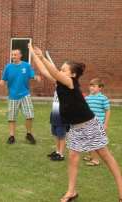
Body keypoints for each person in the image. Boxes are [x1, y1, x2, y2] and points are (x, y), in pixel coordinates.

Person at [29, 44, 122, 202]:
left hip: (89, 125)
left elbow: (54, 72)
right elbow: (46, 72)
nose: (61, 70)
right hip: (75, 128)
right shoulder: (60, 82)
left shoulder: (71, 83)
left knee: (105, 156)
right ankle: (71, 192)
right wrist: (33, 53)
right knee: (73, 158)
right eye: (61, 69)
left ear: (72, 74)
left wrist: (43, 57)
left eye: (64, 69)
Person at [0, 48, 41, 144]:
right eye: (12, 55)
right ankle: (11, 136)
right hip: (13, 95)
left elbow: (32, 75)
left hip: (25, 94)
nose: (13, 56)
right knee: (12, 117)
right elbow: (3, 79)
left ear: (20, 55)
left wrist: (36, 77)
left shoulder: (26, 66)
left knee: (30, 115)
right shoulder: (8, 67)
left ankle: (28, 134)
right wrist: (1, 82)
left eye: (15, 54)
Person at [83, 78, 111, 166]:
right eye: (90, 85)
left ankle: (96, 160)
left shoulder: (103, 98)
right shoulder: (87, 98)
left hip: (98, 124)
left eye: (94, 86)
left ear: (100, 88)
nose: (91, 88)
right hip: (88, 123)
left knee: (94, 142)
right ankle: (91, 156)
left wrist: (105, 124)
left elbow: (108, 111)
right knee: (88, 140)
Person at [48, 90, 68, 161]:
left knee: (61, 136)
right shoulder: (58, 88)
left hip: (62, 116)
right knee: (56, 134)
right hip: (54, 113)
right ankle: (57, 151)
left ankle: (61, 154)